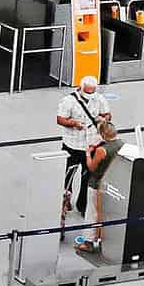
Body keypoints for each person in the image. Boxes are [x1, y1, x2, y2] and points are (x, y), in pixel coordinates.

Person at [55, 76, 110, 224]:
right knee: (68, 177)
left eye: (92, 92)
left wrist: (103, 119)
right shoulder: (69, 101)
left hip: (91, 146)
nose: (90, 95)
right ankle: (65, 201)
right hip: (72, 146)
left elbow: (107, 115)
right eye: (87, 92)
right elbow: (60, 119)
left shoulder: (100, 99)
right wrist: (73, 123)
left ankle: (83, 204)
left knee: (89, 177)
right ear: (81, 88)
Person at [75, 118, 123, 255]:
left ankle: (88, 242)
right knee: (107, 213)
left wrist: (88, 153)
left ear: (102, 135)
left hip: (96, 184)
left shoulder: (102, 150)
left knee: (92, 213)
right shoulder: (122, 145)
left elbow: (91, 167)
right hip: (112, 184)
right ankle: (104, 240)